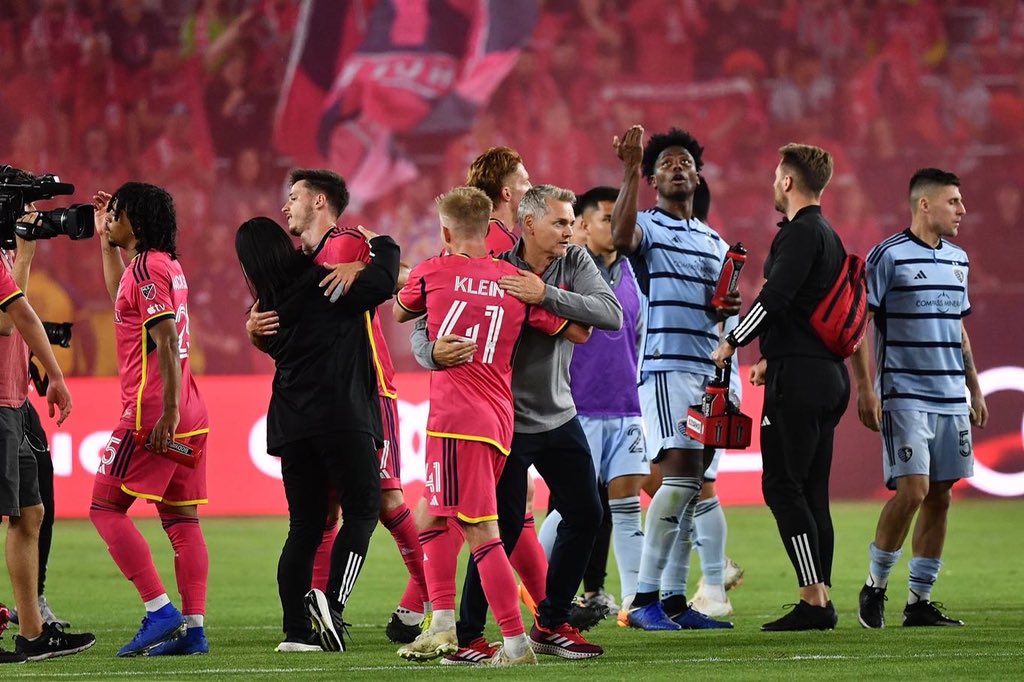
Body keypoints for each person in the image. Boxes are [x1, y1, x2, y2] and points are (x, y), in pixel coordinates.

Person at [412, 185, 622, 663]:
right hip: (508, 422)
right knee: (495, 529)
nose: (572, 230)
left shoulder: (575, 263)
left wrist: (545, 293)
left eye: (571, 222)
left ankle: (550, 621)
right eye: (562, 222)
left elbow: (608, 315)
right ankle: (466, 635)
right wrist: (432, 355)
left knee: (587, 513)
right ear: (528, 225)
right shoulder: (496, 270)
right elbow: (426, 325)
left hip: (559, 413)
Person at [247, 169, 428, 645]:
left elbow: (400, 279)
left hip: (365, 389)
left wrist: (374, 270)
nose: (285, 205)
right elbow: (390, 277)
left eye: (294, 196)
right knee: (344, 512)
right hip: (343, 404)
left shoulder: (345, 240)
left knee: (374, 506)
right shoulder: (306, 263)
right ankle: (333, 608)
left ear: (320, 201)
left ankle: (423, 601)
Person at [711, 143, 849, 631]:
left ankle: (814, 600)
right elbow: (807, 308)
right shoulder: (828, 234)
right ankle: (820, 596)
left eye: (776, 176)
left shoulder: (800, 233)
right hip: (826, 372)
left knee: (780, 485)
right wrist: (774, 356)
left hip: (803, 378)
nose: (773, 183)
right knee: (811, 490)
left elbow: (776, 297)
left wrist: (734, 341)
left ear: (788, 182)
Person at [610, 125, 738, 631]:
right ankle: (642, 599)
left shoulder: (715, 241)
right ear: (653, 178)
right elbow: (619, 239)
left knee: (693, 486)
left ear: (698, 173)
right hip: (665, 368)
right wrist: (627, 168)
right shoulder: (645, 225)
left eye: (685, 161)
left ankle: (674, 601)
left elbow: (725, 310)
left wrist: (728, 305)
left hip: (710, 373)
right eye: (665, 163)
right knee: (681, 477)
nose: (677, 167)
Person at [852, 168, 986, 629]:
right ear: (924, 204)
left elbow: (959, 329)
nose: (962, 210)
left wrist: (975, 384)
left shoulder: (959, 259)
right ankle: (875, 585)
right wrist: (867, 388)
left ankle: (919, 602)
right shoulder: (887, 256)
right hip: (905, 394)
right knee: (913, 491)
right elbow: (861, 324)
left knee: (942, 496)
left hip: (951, 395)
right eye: (953, 202)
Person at [90, 183, 211, 655]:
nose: (110, 219)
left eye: (116, 213)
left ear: (135, 221)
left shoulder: (145, 268)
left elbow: (163, 337)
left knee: (104, 508)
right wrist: (104, 243)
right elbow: (122, 300)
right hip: (190, 404)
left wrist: (169, 413)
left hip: (154, 410)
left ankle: (160, 610)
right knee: (182, 518)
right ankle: (194, 631)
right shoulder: (164, 266)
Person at [537, 186, 647, 617]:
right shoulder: (565, 272)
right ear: (582, 225)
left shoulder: (634, 272)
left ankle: (639, 602)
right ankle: (528, 582)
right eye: (607, 219)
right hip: (578, 407)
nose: (619, 229)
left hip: (626, 405)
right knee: (573, 507)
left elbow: (637, 336)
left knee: (625, 506)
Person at [0, 227, 91, 664]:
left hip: (14, 400)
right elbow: (7, 320)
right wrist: (25, 256)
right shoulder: (7, 259)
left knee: (30, 512)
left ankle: (32, 633)